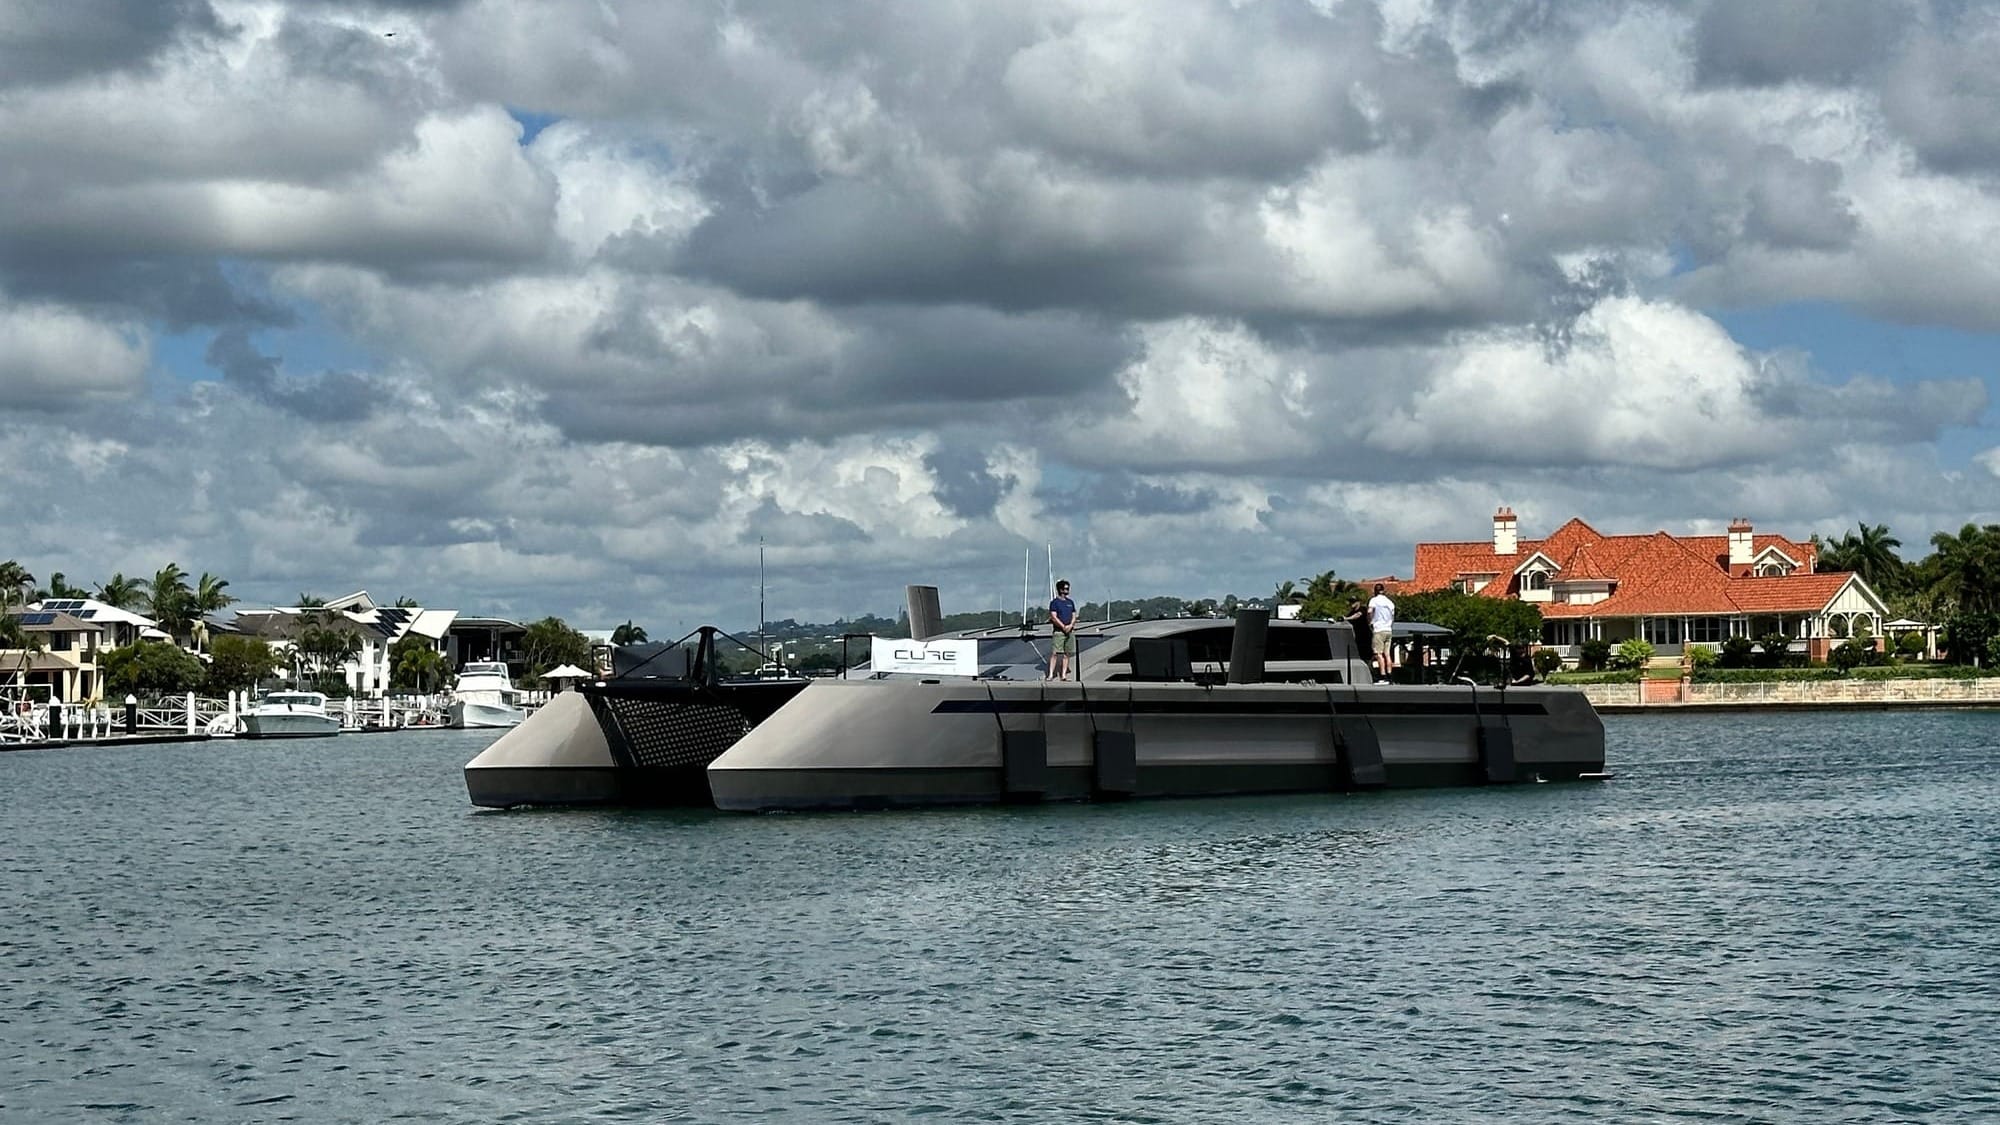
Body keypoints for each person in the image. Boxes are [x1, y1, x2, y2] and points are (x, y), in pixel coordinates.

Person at [1047, 579, 1078, 681]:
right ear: (1060, 589)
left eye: (1068, 588)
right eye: (1066, 588)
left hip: (1070, 631)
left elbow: (1074, 615)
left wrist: (1070, 625)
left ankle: (1063, 675)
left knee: (1066, 653)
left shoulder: (1070, 602)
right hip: (1059, 632)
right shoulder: (1054, 603)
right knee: (1055, 653)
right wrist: (1063, 626)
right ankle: (1051, 674)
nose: (1067, 590)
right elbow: (1053, 617)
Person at [1367, 583, 1396, 678]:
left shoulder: (1374, 600)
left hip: (1379, 629)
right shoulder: (1390, 602)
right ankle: (1390, 674)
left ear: (1375, 591)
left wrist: (1370, 621)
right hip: (1388, 630)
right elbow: (1392, 615)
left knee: (1378, 654)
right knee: (1387, 654)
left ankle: (1382, 675)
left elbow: (1369, 611)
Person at [1343, 597, 1375, 672]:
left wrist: (1347, 618)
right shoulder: (1351, 612)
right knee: (1360, 656)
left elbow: (1357, 615)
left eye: (1353, 602)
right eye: (1350, 602)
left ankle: (1372, 674)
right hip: (1358, 638)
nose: (1351, 604)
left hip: (1366, 637)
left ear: (1358, 602)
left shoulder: (1363, 609)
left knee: (1367, 658)